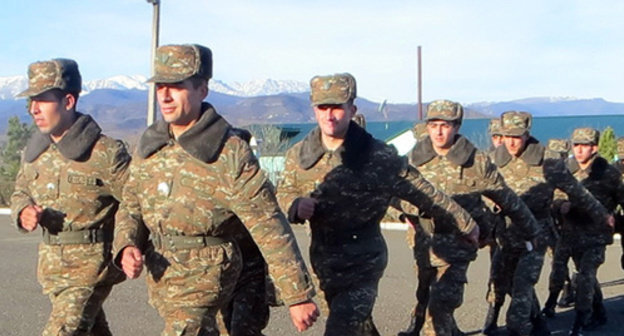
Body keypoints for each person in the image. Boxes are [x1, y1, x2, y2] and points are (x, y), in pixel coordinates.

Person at [112, 44, 319, 335]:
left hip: (208, 277)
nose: (165, 95)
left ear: (202, 90)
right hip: (165, 278)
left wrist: (297, 295)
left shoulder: (228, 152)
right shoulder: (151, 146)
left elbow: (268, 223)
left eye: (176, 86)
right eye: (160, 87)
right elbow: (132, 203)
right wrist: (127, 244)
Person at [277, 73, 479, 336]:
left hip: (364, 260)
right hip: (323, 260)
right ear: (314, 109)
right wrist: (294, 204)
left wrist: (465, 223)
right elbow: (283, 191)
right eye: (322, 108)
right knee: (357, 325)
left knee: (343, 327)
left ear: (352, 109)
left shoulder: (379, 156)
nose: (329, 115)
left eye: (337, 107)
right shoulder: (300, 155)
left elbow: (425, 194)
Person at [396, 100, 538, 336]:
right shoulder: (413, 160)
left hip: (458, 246)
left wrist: (533, 230)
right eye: (433, 125)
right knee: (426, 293)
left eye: (445, 125)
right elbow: (392, 194)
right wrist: (404, 214)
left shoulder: (476, 162)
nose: (439, 132)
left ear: (457, 126)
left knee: (440, 305)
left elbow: (507, 198)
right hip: (424, 243)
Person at [10, 58, 130, 335]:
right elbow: (21, 191)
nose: (33, 109)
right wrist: (23, 210)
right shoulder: (36, 152)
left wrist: (128, 245)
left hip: (91, 267)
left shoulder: (104, 152)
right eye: (31, 101)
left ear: (68, 101)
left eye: (42, 100)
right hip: (53, 267)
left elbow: (134, 203)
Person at [491, 111, 613, 336]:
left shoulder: (547, 162)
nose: (510, 142)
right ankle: (538, 324)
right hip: (506, 234)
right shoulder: (494, 159)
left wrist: (603, 215)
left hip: (536, 234)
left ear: (527, 135)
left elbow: (576, 190)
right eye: (506, 136)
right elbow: (476, 190)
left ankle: (519, 329)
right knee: (501, 282)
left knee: (522, 287)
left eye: (516, 137)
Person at [544, 128, 623, 335]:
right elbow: (554, 196)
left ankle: (581, 319)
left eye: (584, 145)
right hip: (569, 232)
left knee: (585, 277)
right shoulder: (566, 170)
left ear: (594, 148)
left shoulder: (609, 173)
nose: (579, 150)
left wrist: (614, 218)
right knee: (560, 271)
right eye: (576, 145)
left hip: (596, 235)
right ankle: (598, 310)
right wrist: (560, 205)